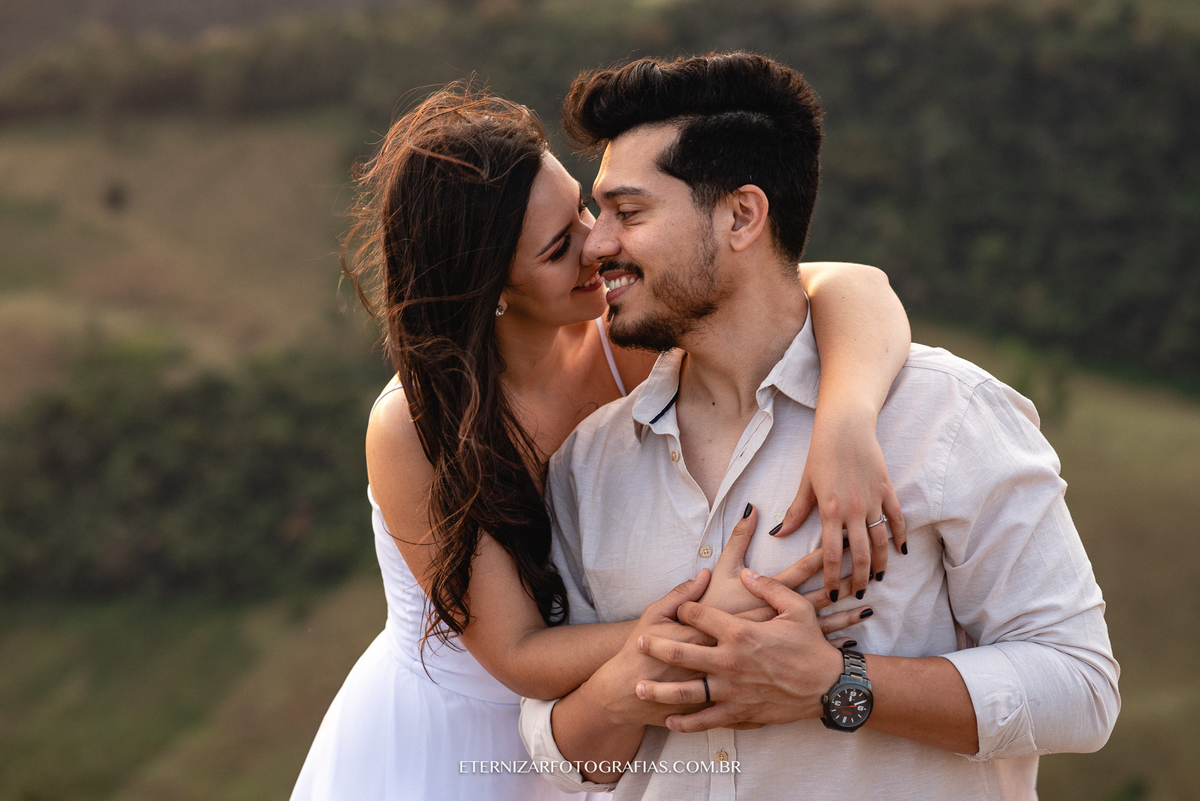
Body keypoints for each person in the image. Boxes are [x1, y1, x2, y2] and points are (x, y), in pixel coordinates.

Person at [519, 52, 1120, 800]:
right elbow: (564, 759)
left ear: (742, 215)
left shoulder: (946, 415)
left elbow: (1082, 687)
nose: (597, 243)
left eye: (629, 213)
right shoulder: (590, 462)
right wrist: (642, 670)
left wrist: (836, 684)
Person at [289, 82, 914, 801]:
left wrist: (846, 417)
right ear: (491, 287)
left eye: (584, 208)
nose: (598, 243)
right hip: (451, 744)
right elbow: (519, 654)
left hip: (599, 725)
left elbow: (852, 286)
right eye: (560, 248)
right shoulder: (414, 425)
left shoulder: (628, 336)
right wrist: (705, 619)